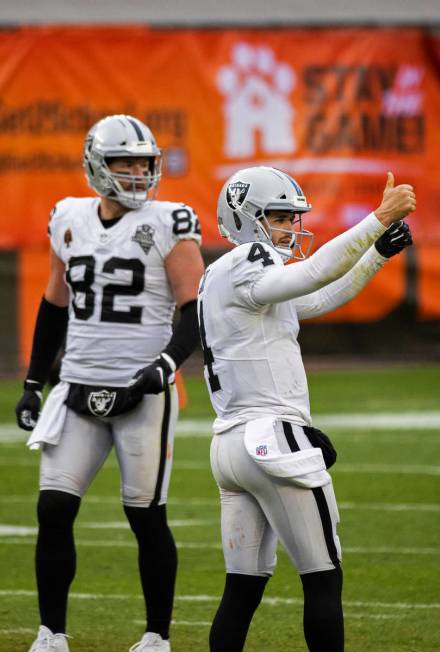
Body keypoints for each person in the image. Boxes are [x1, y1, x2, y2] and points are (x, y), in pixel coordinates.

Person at [197, 166, 415, 652]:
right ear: (244, 217)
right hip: (271, 439)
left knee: (243, 589)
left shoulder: (221, 275)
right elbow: (318, 272)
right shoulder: (248, 260)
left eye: (292, 216)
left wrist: (375, 255)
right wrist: (377, 219)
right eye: (277, 216)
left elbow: (317, 297)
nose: (290, 227)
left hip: (230, 446)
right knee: (322, 578)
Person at [15, 114, 205, 652]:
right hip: (76, 387)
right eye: (125, 162)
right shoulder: (68, 216)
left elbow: (194, 308)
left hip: (141, 390)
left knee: (144, 515)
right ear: (96, 165)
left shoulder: (170, 221)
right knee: (52, 509)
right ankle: (51, 632)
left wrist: (165, 367)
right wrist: (33, 381)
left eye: (145, 163)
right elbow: (53, 306)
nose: (139, 173)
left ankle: (156, 636)